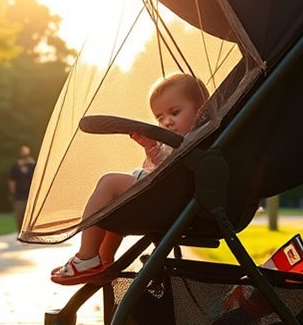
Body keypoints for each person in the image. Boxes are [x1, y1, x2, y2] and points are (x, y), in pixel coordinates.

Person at [50, 72, 209, 284]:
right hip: (171, 195)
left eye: (175, 112)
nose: (167, 122)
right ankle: (104, 262)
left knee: (109, 183)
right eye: (160, 118)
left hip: (171, 198)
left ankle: (87, 256)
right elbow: (164, 164)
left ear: (201, 110)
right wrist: (152, 148)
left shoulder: (197, 137)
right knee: (117, 204)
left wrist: (156, 151)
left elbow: (174, 169)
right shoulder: (186, 139)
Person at [8, 145, 36, 232]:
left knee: (31, 217)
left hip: (31, 195)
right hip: (19, 196)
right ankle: (20, 233)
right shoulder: (15, 167)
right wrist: (13, 193)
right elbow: (12, 181)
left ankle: (30, 233)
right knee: (19, 216)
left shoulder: (32, 165)